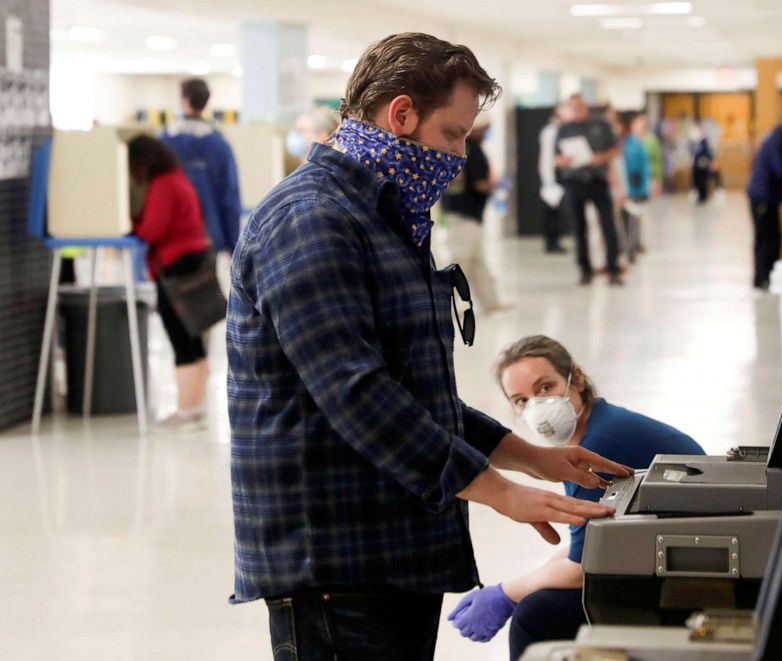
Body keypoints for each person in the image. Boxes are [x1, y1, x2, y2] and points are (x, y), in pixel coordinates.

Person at [226, 33, 633, 661]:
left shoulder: (384, 221)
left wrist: (531, 456)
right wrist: (500, 491)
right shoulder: (310, 219)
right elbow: (356, 393)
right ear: (402, 114)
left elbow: (414, 394)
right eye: (452, 134)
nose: (459, 155)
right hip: (338, 561)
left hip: (392, 547)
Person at [447, 335, 704, 659]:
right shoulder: (602, 426)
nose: (536, 407)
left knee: (536, 614)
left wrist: (507, 593)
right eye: (521, 400)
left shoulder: (600, 446)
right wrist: (521, 582)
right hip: (674, 564)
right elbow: (594, 539)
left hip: (687, 585)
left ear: (576, 379)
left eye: (544, 388)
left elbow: (583, 565)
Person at [128, 135, 211, 429]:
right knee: (193, 335)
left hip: (174, 265)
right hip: (191, 259)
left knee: (180, 337)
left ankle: (186, 409)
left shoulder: (163, 184)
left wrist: (130, 224)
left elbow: (153, 228)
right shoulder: (178, 177)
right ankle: (195, 404)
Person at [161, 78, 242, 256]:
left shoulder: (163, 143)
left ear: (185, 101)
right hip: (207, 236)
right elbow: (229, 196)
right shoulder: (218, 144)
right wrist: (233, 243)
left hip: (168, 236)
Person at [440, 112, 510, 313]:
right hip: (466, 214)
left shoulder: (454, 147)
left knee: (477, 260)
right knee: (459, 261)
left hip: (457, 210)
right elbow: (480, 184)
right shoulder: (475, 150)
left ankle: (491, 303)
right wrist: (497, 185)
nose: (487, 131)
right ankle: (444, 306)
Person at [555, 94, 624, 286]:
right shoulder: (564, 129)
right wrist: (563, 162)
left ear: (585, 107)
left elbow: (615, 149)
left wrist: (600, 159)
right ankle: (584, 268)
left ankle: (613, 267)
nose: (576, 110)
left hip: (597, 180)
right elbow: (556, 158)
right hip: (575, 181)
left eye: (579, 107)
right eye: (572, 107)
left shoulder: (601, 125)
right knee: (579, 227)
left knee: (608, 224)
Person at [746, 122, 782, 291]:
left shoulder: (774, 137)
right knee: (768, 239)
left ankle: (763, 278)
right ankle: (764, 278)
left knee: (767, 238)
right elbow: (779, 168)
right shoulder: (777, 140)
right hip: (763, 198)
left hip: (763, 196)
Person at [620, 113, 651, 261]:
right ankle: (628, 247)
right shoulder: (626, 143)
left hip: (637, 188)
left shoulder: (637, 143)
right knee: (628, 219)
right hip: (627, 188)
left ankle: (633, 246)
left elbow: (642, 167)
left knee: (634, 218)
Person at [538, 103, 568, 253]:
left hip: (556, 177)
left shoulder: (559, 131)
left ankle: (555, 240)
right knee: (551, 212)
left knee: (556, 213)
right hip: (550, 177)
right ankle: (551, 242)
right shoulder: (550, 132)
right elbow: (548, 157)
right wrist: (548, 179)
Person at [690, 124, 713, 204]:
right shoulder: (694, 142)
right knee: (697, 181)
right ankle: (699, 196)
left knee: (703, 181)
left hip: (703, 165)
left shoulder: (704, 141)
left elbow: (708, 153)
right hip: (696, 165)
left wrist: (706, 161)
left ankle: (704, 196)